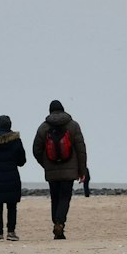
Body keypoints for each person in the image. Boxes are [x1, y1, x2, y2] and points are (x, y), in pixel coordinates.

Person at [31, 100, 87, 239]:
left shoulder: (43, 127)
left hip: (52, 170)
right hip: (69, 171)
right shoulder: (73, 125)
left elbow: (36, 150)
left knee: (55, 198)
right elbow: (81, 150)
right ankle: (60, 223)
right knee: (64, 198)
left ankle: (56, 223)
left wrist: (45, 164)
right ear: (63, 109)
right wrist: (82, 170)